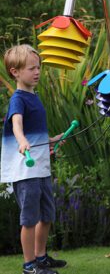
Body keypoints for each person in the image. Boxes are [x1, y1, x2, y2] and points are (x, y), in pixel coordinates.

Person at [1, 45, 66, 274]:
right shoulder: (18, 99)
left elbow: (34, 133)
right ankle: (29, 266)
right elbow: (17, 123)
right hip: (25, 170)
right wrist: (20, 140)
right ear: (15, 71)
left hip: (41, 167)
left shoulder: (33, 97)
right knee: (29, 219)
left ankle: (41, 257)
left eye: (38, 67)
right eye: (31, 68)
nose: (37, 72)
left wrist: (52, 140)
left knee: (46, 215)